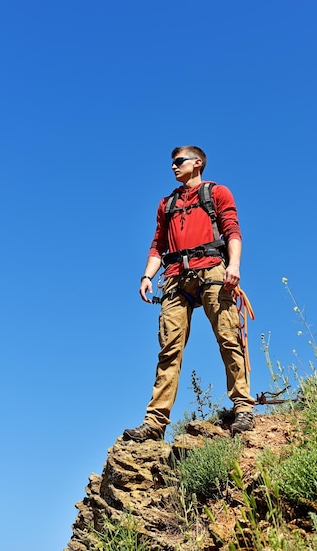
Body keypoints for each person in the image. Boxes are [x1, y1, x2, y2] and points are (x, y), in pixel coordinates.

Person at [123, 145, 255, 442]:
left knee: (228, 337)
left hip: (212, 270)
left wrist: (233, 266)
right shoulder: (166, 203)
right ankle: (155, 423)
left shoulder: (217, 193)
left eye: (178, 161)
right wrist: (147, 276)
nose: (173, 166)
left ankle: (243, 408)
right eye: (172, 162)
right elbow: (157, 245)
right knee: (169, 349)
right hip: (173, 278)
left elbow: (232, 230)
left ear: (197, 163)